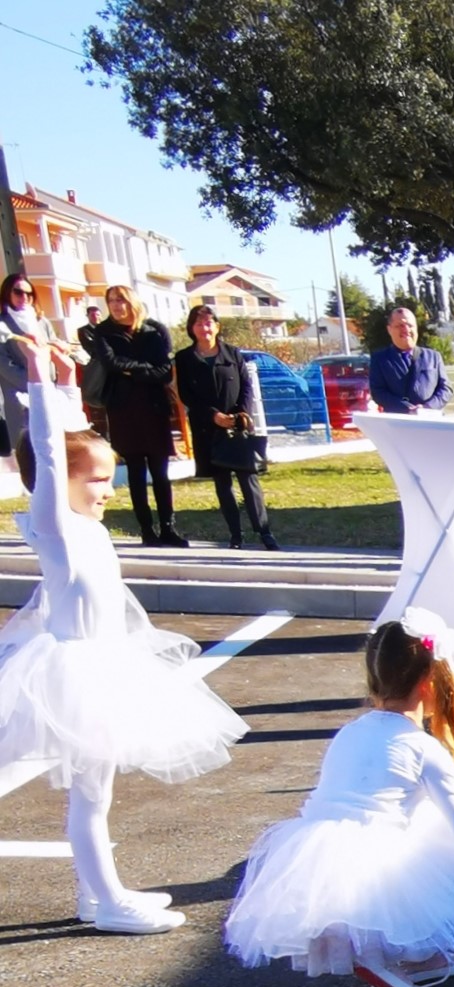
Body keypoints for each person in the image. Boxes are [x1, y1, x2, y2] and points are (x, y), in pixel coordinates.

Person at [0, 350, 245, 933]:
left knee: (97, 794)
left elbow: (65, 439)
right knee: (89, 795)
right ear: (59, 483)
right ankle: (106, 902)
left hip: (105, 666)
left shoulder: (85, 529)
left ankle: (98, 895)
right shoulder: (54, 529)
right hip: (73, 673)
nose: (108, 490)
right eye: (98, 480)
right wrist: (36, 375)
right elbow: (50, 453)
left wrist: (62, 382)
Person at [223, 613, 454, 987]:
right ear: (430, 683)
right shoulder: (422, 747)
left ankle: (417, 955)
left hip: (318, 849)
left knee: (419, 824)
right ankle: (379, 958)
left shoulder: (350, 732)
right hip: (376, 858)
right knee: (446, 837)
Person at [174, 306, 278, 551]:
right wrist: (213, 416)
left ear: (217, 326)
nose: (204, 328)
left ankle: (265, 532)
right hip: (208, 429)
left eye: (209, 323)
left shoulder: (232, 353)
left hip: (238, 427)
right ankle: (235, 535)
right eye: (199, 324)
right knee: (223, 484)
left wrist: (241, 413)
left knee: (249, 480)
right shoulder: (185, 358)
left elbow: (246, 387)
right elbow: (186, 394)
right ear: (191, 328)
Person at [94, 285, 183, 547]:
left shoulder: (155, 330)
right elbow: (112, 363)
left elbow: (165, 371)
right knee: (135, 472)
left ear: (131, 301)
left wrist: (134, 371)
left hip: (154, 408)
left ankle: (169, 528)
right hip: (123, 409)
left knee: (160, 472)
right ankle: (147, 530)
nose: (116, 305)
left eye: (120, 300)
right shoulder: (104, 332)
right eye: (111, 301)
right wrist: (146, 369)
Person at [1, 271, 57, 491]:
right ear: (7, 293)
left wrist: (49, 380)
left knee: (50, 444)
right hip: (21, 395)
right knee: (28, 448)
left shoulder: (41, 321)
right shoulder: (2, 323)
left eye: (29, 293)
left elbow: (51, 351)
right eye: (18, 292)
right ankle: (34, 493)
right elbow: (3, 365)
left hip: (49, 391)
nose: (24, 297)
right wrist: (35, 384)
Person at [368, 306, 450, 415]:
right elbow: (378, 392)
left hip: (431, 421)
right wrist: (407, 409)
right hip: (399, 423)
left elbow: (446, 389)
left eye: (410, 325)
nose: (406, 330)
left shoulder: (433, 357)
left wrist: (427, 408)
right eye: (400, 325)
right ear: (389, 329)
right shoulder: (380, 359)